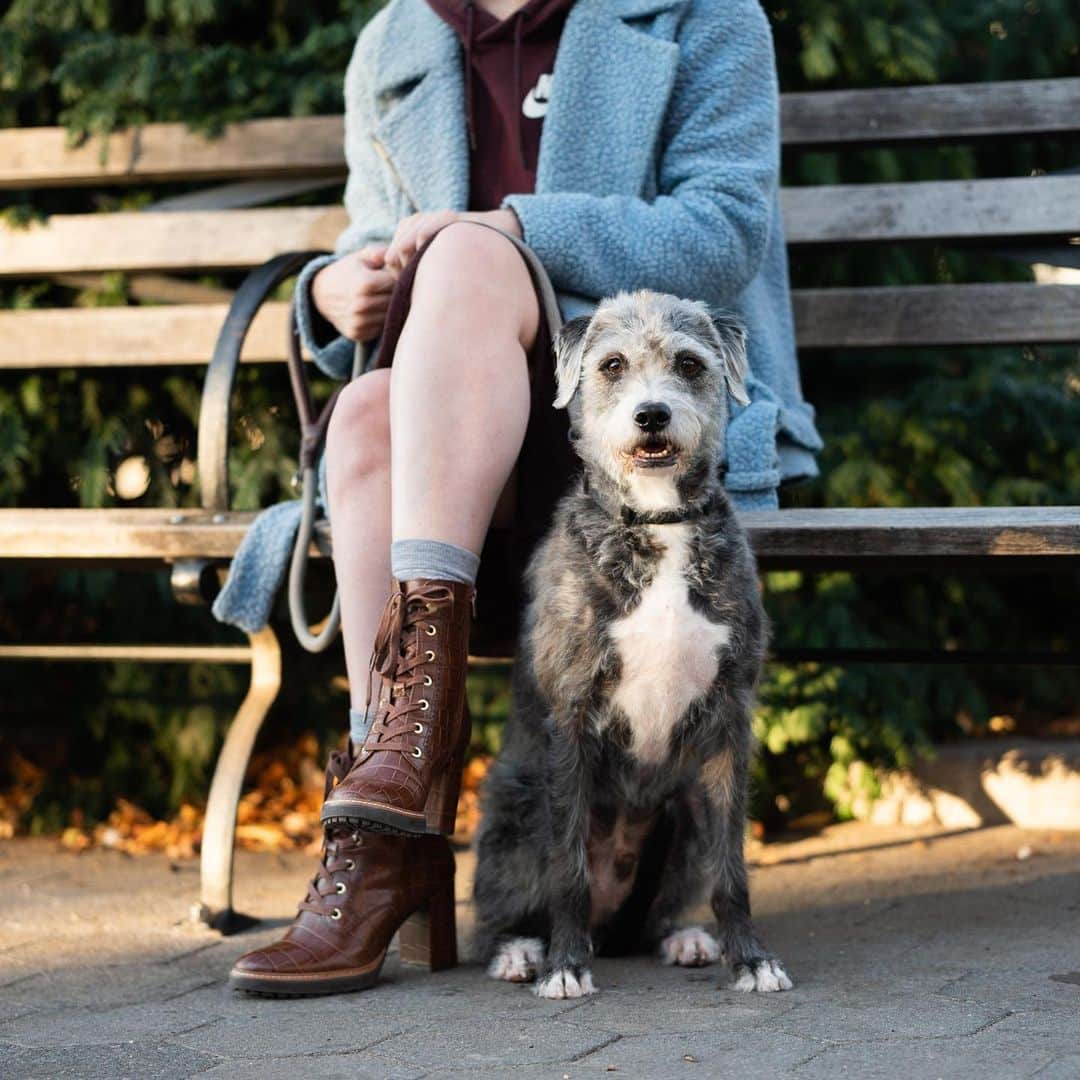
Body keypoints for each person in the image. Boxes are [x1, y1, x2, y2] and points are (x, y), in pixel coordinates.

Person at [228, 0, 820, 995]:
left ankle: (396, 779)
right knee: (365, 416)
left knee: (465, 256)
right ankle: (386, 826)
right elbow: (377, 231)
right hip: (457, 461)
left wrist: (504, 232)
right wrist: (339, 286)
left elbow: (720, 235)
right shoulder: (399, 40)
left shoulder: (702, 15)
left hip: (632, 435)